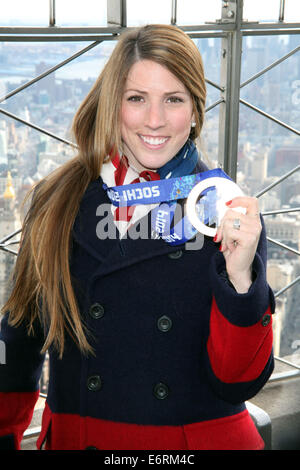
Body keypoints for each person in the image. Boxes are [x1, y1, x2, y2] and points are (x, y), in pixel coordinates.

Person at [0, 24, 274, 451]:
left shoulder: (228, 210)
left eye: (174, 99)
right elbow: (17, 342)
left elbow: (238, 381)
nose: (155, 120)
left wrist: (240, 280)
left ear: (196, 111)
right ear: (114, 105)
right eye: (136, 99)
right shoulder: (56, 200)